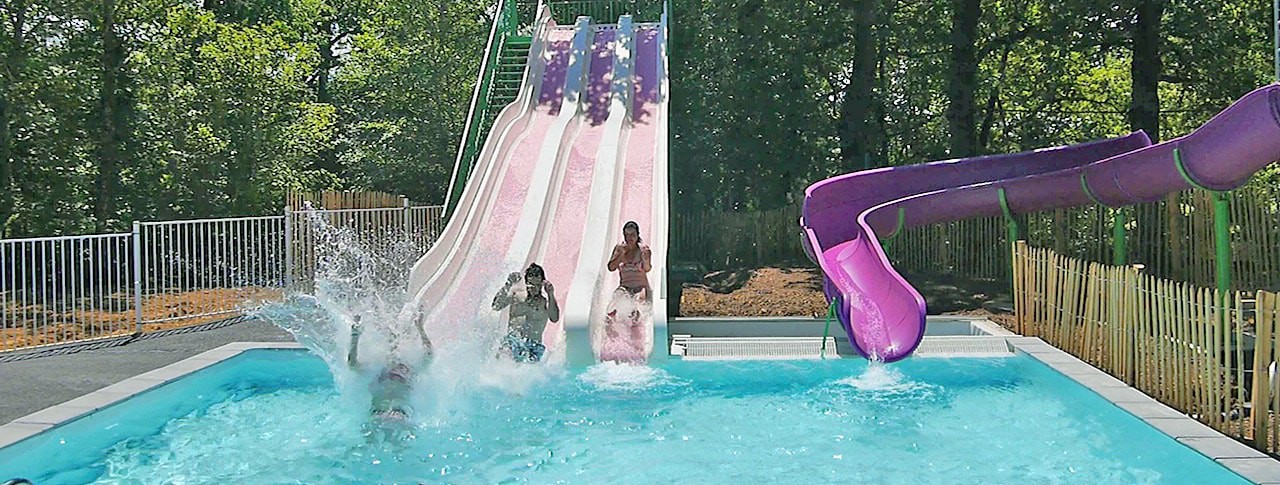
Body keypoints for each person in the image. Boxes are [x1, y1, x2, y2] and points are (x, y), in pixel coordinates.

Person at [346, 316, 432, 423]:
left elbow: (429, 354)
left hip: (400, 414)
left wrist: (420, 329)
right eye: (391, 344)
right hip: (379, 414)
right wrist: (355, 336)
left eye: (396, 344)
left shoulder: (408, 368)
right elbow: (352, 364)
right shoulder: (378, 368)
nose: (394, 347)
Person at [491, 263, 560, 363]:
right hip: (513, 341)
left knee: (526, 371)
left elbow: (554, 318)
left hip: (533, 347)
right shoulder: (516, 297)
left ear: (542, 283)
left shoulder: (545, 303)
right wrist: (508, 284)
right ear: (526, 282)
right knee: (502, 359)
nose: (535, 289)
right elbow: (496, 306)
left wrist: (551, 294)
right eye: (532, 285)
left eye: (538, 285)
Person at [607, 221, 653, 302]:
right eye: (626, 234)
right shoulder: (619, 248)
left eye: (632, 234)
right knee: (618, 296)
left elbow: (647, 269)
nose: (629, 237)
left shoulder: (643, 249)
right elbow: (611, 268)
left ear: (637, 235)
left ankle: (636, 312)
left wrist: (646, 260)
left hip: (641, 287)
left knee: (639, 299)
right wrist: (621, 255)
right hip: (625, 287)